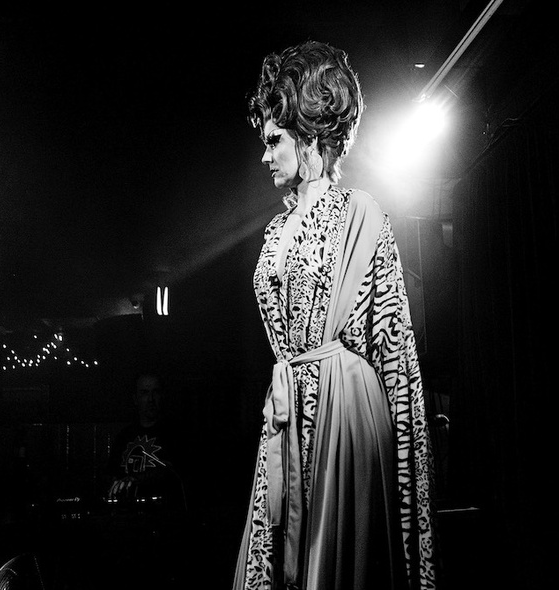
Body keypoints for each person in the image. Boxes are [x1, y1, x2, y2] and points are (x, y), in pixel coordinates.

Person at [233, 40, 438, 590]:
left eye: (274, 140)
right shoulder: (275, 231)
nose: (265, 154)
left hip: (346, 418)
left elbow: (395, 356)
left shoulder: (362, 214)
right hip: (285, 413)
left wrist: (407, 484)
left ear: (309, 138)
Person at [105, 370, 186, 511]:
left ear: (162, 395)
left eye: (155, 392)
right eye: (144, 393)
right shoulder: (124, 436)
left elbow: (172, 471)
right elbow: (111, 474)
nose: (150, 399)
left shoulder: (175, 434)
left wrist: (138, 479)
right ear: (135, 399)